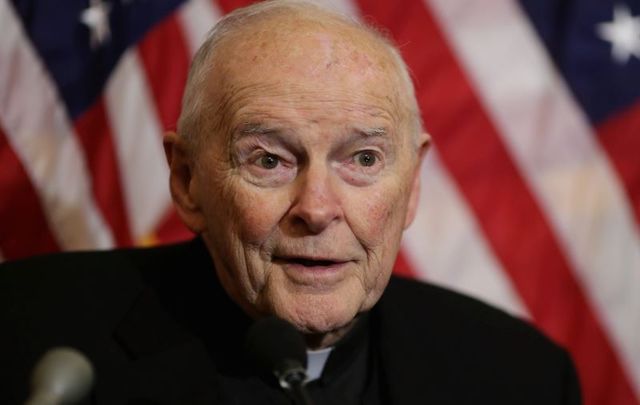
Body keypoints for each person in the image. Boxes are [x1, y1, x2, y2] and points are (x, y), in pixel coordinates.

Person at [0, 1, 581, 404]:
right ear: (187, 181)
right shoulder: (25, 337)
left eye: (364, 160)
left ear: (413, 185)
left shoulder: (521, 376)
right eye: (270, 160)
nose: (318, 208)